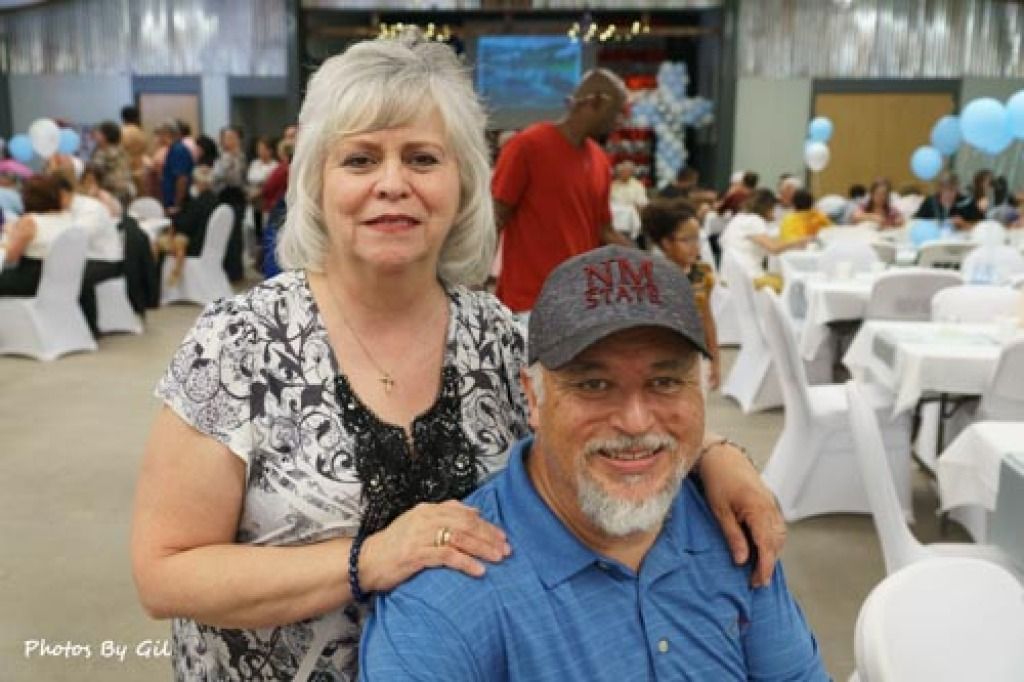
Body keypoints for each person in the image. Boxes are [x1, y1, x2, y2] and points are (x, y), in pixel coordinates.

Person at [131, 36, 787, 682]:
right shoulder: (238, 343)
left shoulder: (500, 339)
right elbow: (163, 572)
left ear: (465, 185)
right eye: (360, 160)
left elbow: (604, 416)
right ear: (316, 184)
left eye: (422, 159)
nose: (393, 184)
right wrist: (367, 560)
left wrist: (716, 459)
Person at [360, 245, 826, 681]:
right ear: (533, 398)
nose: (636, 421)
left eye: (665, 381)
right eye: (594, 386)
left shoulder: (734, 529)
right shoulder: (447, 601)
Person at [492, 68, 631, 315]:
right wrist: (475, 285)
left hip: (580, 303)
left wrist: (650, 264)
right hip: (529, 303)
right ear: (595, 102)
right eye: (617, 112)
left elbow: (604, 231)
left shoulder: (600, 160)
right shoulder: (527, 146)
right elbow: (495, 217)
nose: (619, 121)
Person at [643, 200, 721, 390]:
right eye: (686, 240)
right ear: (666, 243)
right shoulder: (651, 277)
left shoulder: (702, 273)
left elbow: (707, 318)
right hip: (660, 360)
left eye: (697, 239)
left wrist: (715, 358)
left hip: (694, 357)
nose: (695, 246)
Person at [52, 170, 123, 336]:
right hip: (81, 258)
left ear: (64, 193)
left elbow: (78, 236)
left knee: (79, 276)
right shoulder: (63, 209)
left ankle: (90, 327)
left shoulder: (90, 208)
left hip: (105, 259)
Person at [719, 188, 809, 292]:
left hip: (729, 277)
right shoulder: (754, 220)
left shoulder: (739, 218)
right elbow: (773, 248)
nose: (774, 212)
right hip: (749, 278)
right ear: (767, 208)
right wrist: (798, 241)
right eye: (773, 208)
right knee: (793, 286)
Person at [158, 165, 218, 286]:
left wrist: (174, 218)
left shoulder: (198, 203)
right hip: (209, 245)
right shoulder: (215, 201)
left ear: (199, 182)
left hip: (195, 245)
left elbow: (185, 225)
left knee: (157, 243)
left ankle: (158, 283)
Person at [212, 125, 248, 282]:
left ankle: (235, 271)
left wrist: (228, 162)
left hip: (235, 196)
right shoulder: (221, 155)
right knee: (224, 234)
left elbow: (234, 178)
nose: (228, 141)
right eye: (225, 137)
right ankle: (224, 269)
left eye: (232, 137)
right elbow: (215, 176)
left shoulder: (239, 156)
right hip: (222, 196)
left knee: (235, 235)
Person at [90, 119, 133, 206]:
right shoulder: (120, 149)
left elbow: (95, 170)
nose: (94, 136)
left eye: (98, 133)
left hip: (110, 192)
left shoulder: (103, 152)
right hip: (125, 190)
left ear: (105, 136)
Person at [157, 120, 194, 215]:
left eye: (159, 134)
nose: (158, 138)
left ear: (166, 134)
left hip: (177, 204)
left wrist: (177, 204)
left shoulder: (178, 150)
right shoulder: (173, 149)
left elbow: (182, 179)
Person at [246, 135, 279, 240]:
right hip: (252, 203)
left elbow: (269, 184)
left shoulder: (275, 166)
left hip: (266, 204)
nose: (260, 151)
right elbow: (250, 178)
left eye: (263, 149)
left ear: (270, 150)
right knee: (251, 232)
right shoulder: (254, 163)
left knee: (264, 234)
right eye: (258, 149)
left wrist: (260, 188)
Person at [121, 105, 151, 199]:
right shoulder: (141, 133)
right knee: (140, 201)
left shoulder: (122, 132)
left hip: (126, 171)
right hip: (141, 171)